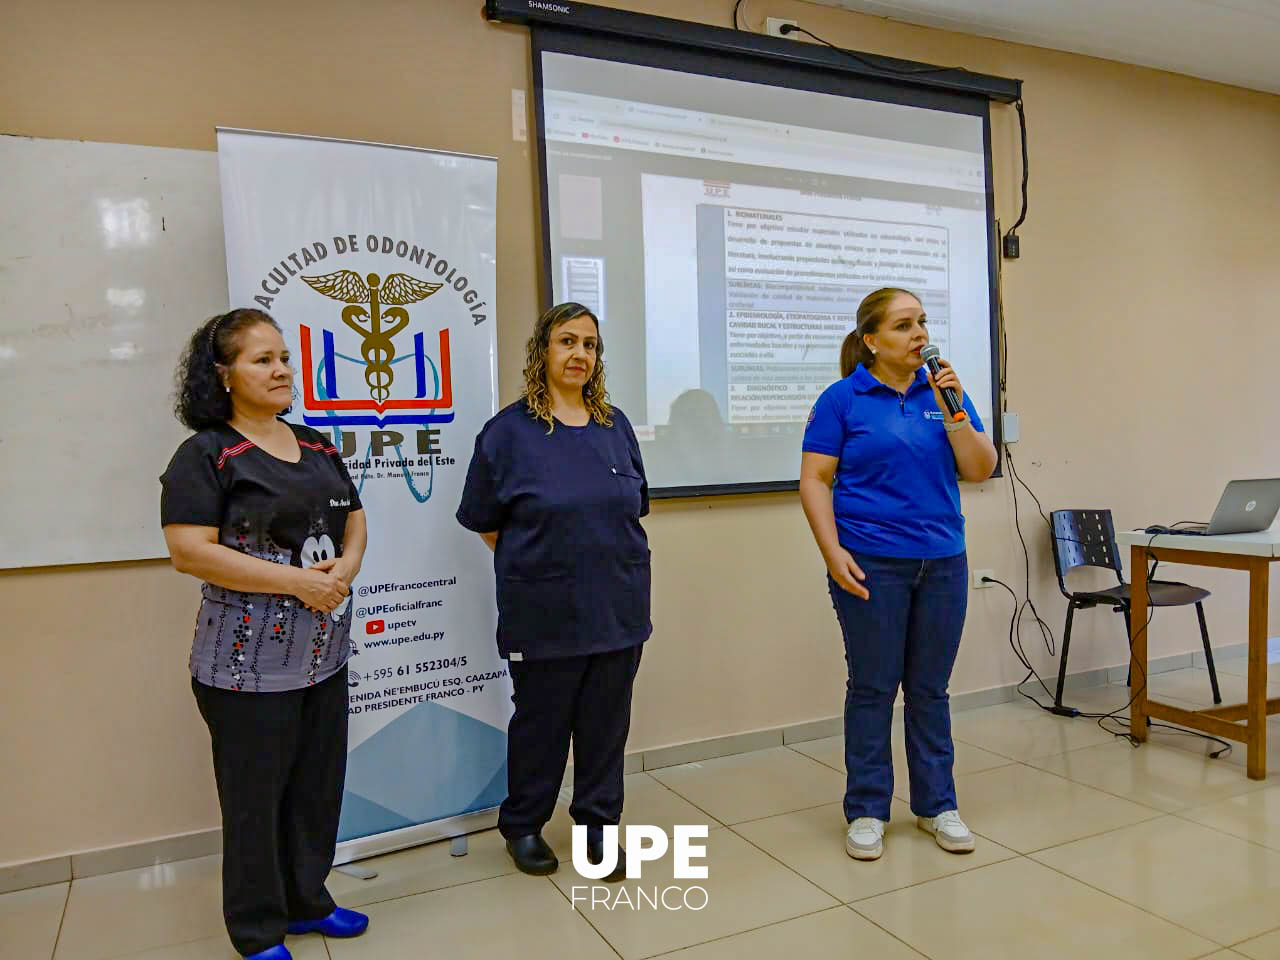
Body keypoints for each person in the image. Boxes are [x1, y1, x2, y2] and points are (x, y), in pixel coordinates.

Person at [160, 308, 370, 960]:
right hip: (244, 671)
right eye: (261, 359)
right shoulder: (206, 455)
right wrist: (295, 583)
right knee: (256, 803)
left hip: (323, 658)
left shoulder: (316, 444)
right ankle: (255, 930)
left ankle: (309, 901)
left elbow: (356, 518)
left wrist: (348, 565)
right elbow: (188, 550)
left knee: (315, 791)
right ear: (223, 375)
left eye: (283, 357)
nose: (281, 370)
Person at [799, 288, 997, 862]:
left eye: (923, 323)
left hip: (943, 562)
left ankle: (938, 805)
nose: (920, 335)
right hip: (871, 563)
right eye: (905, 325)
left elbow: (980, 469)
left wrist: (954, 405)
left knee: (930, 690)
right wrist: (831, 553)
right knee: (872, 688)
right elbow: (815, 480)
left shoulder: (946, 393)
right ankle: (866, 809)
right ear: (872, 340)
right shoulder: (843, 398)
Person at [457, 301, 650, 880]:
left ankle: (597, 828)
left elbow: (634, 507)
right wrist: (543, 565)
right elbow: (487, 522)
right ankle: (523, 826)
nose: (580, 355)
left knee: (605, 725)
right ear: (542, 351)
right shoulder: (507, 433)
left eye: (590, 345)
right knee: (540, 725)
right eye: (568, 342)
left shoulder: (615, 426)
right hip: (542, 612)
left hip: (617, 606)